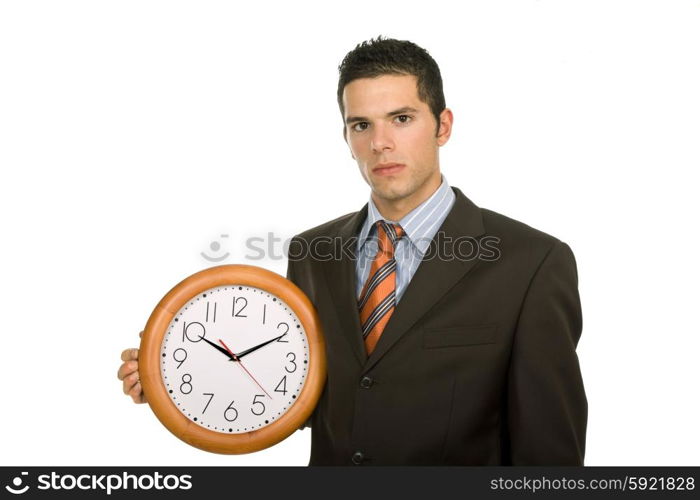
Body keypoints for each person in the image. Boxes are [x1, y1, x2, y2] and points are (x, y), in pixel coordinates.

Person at [118, 36, 587, 465]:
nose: (380, 143)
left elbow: (550, 458)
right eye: (361, 124)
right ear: (346, 137)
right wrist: (176, 385)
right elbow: (307, 401)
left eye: (401, 119)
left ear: (442, 126)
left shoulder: (531, 264)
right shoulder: (312, 252)